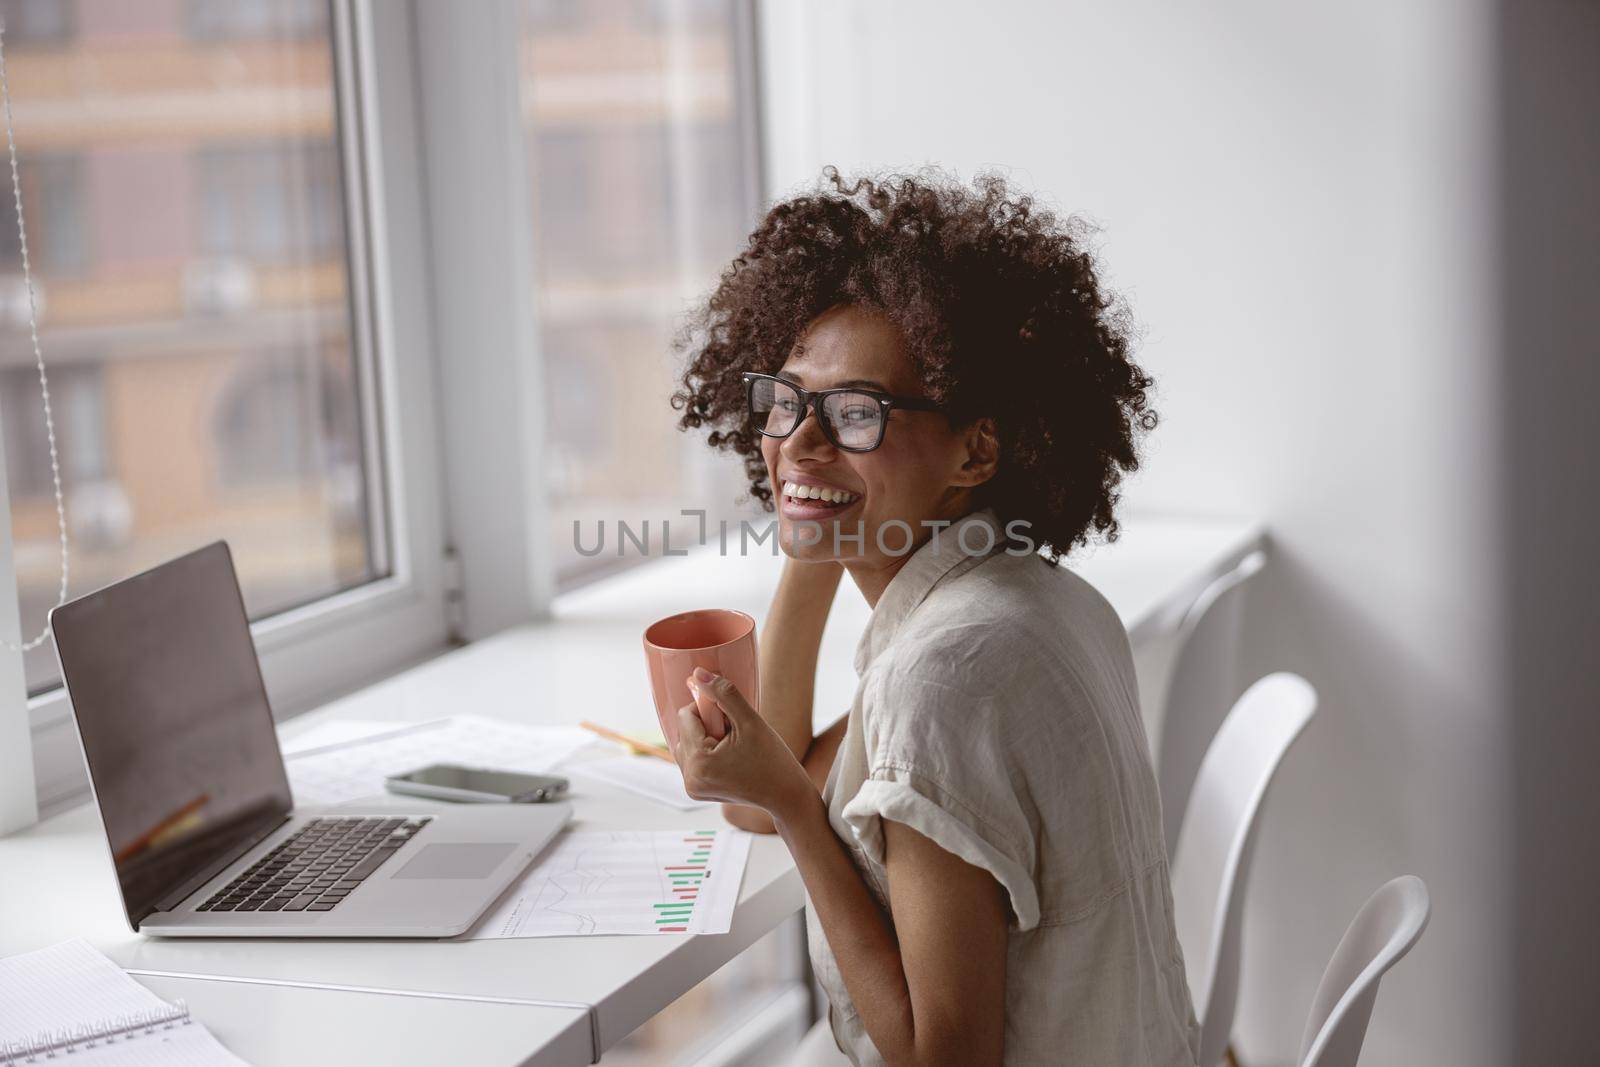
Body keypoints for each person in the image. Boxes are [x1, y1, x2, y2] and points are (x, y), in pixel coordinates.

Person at [666, 167, 1200, 1066]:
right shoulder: (1036, 598)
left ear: (976, 448)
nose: (798, 438)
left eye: (857, 413)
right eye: (787, 400)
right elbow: (777, 779)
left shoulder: (940, 680)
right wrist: (815, 525)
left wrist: (799, 811)